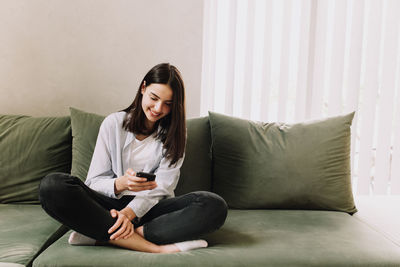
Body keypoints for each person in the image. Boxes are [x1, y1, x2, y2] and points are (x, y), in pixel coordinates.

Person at [39, 63, 228, 253]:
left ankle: (101, 235)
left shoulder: (176, 134)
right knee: (52, 186)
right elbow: (93, 182)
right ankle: (155, 248)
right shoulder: (113, 124)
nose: (158, 108)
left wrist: (129, 214)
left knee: (213, 205)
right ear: (143, 88)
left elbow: (163, 186)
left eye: (168, 104)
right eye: (154, 98)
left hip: (152, 208)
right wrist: (121, 184)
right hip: (109, 207)